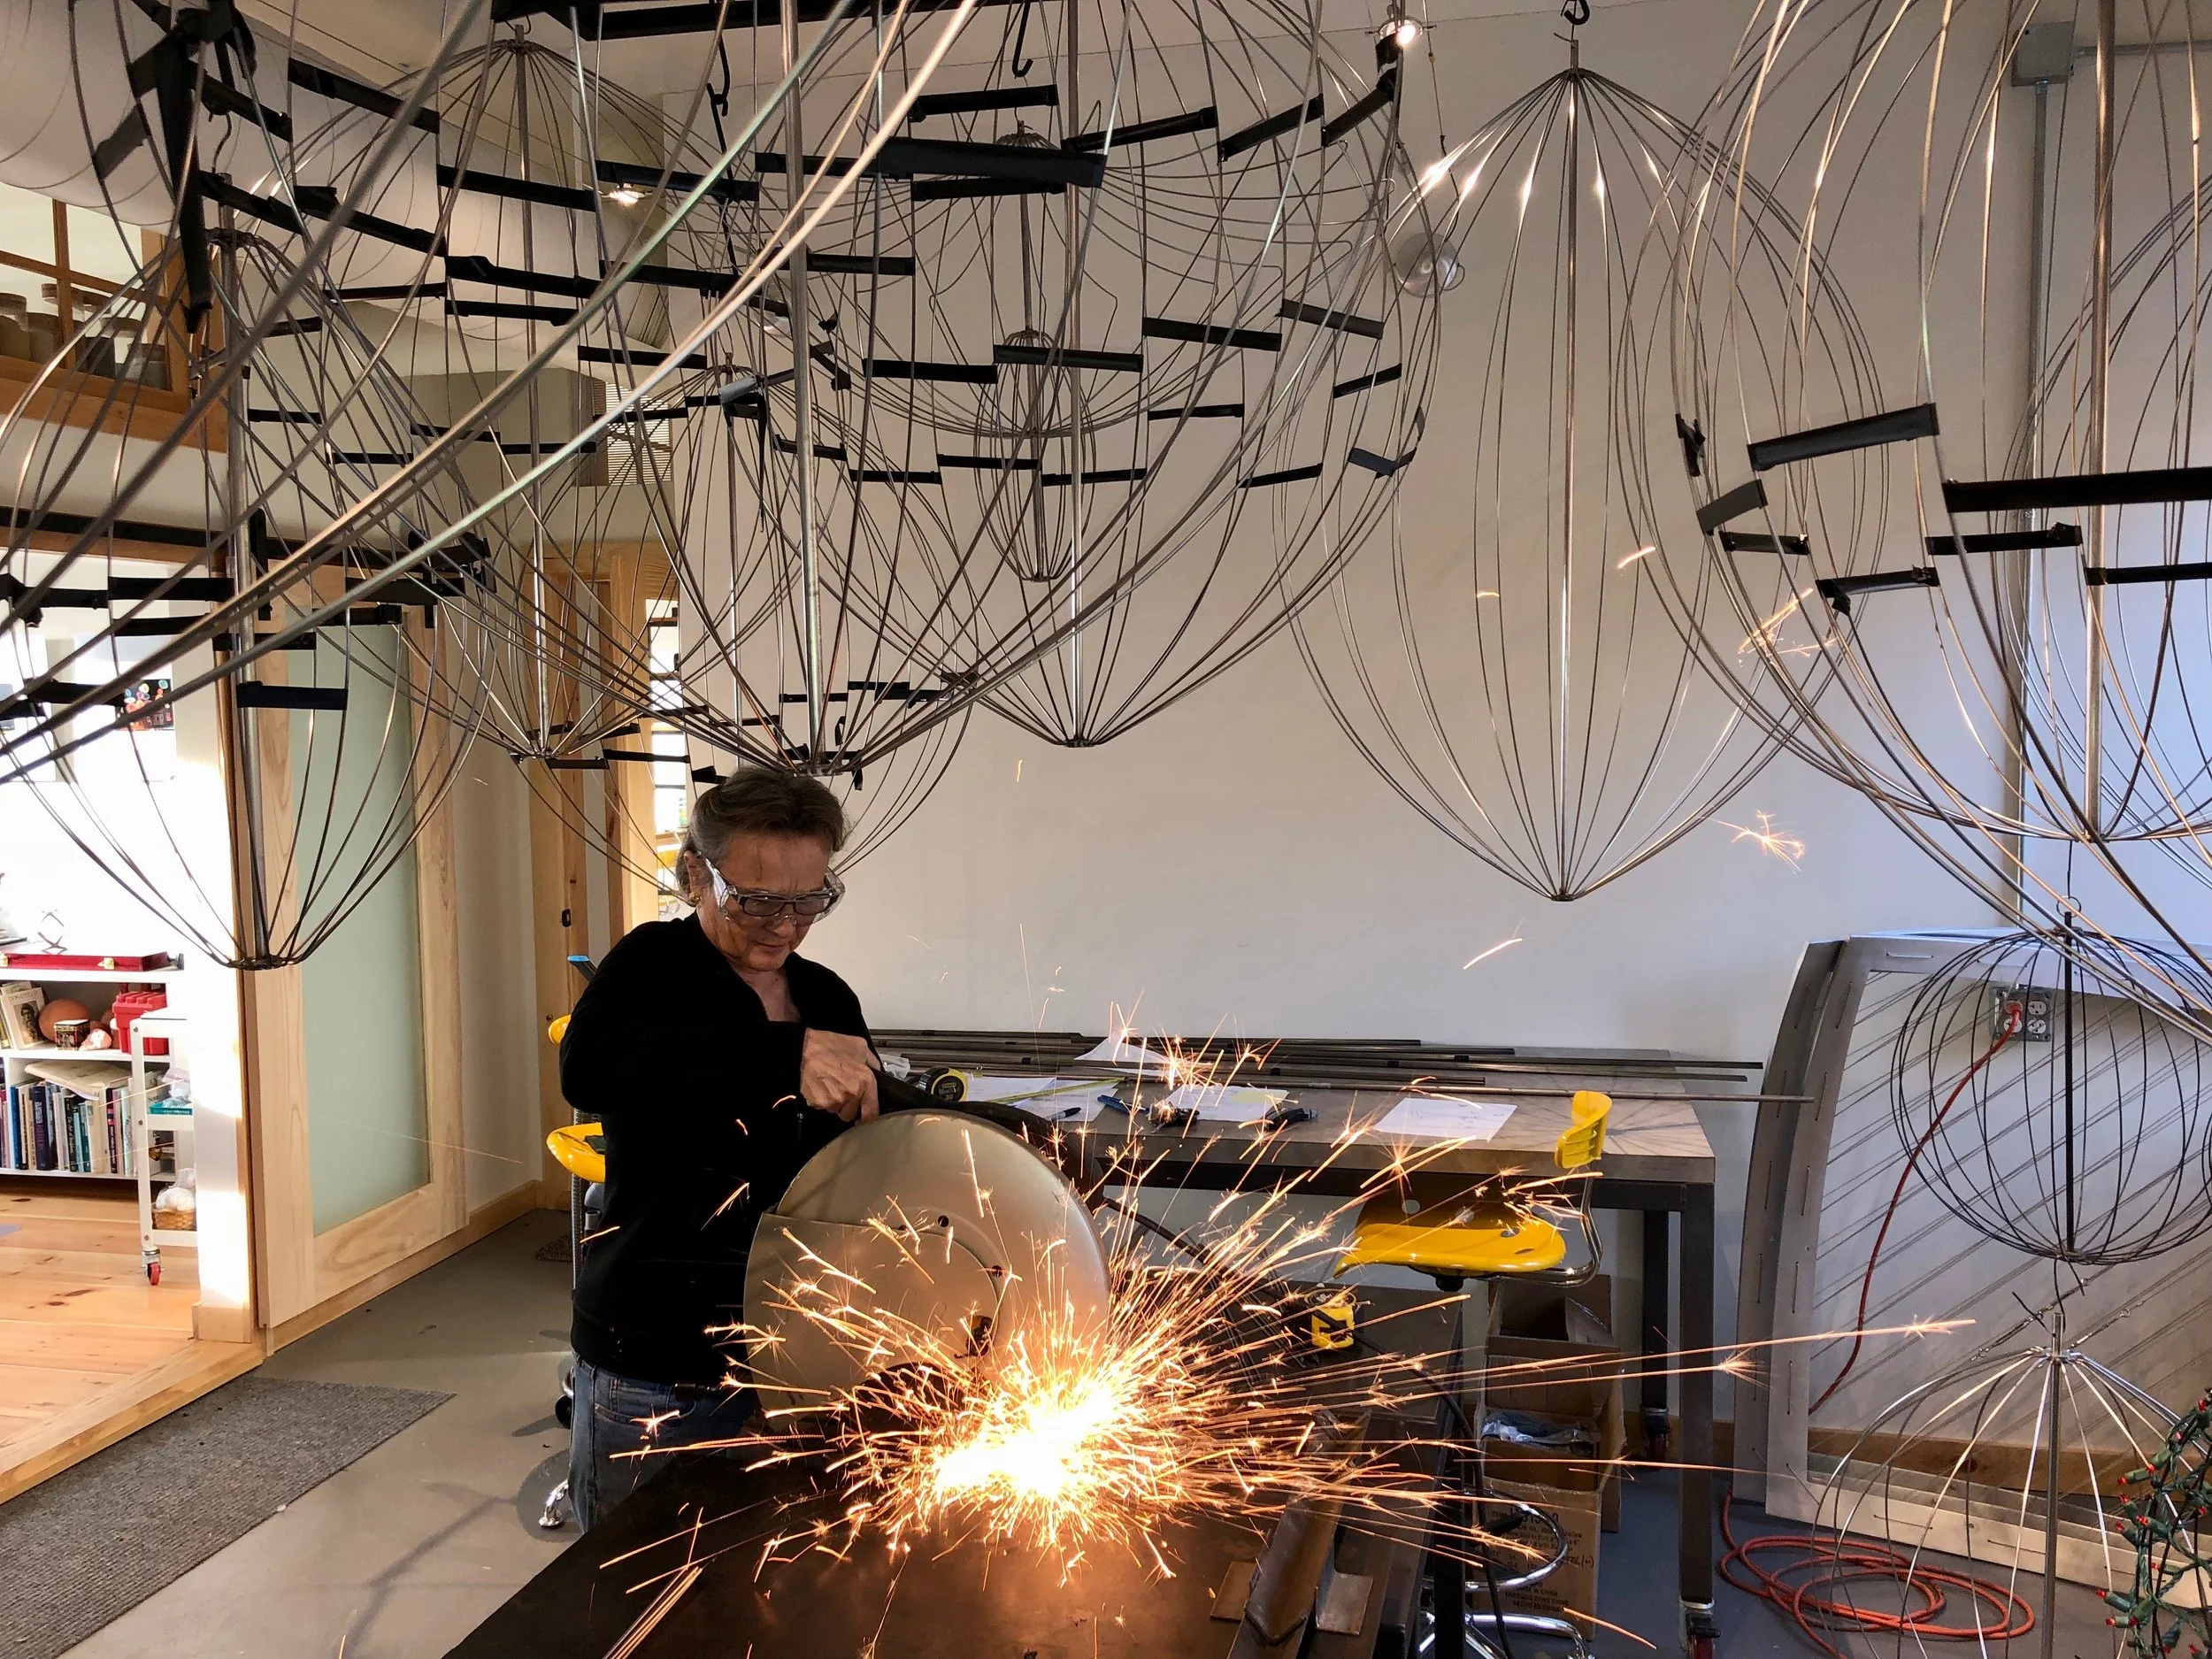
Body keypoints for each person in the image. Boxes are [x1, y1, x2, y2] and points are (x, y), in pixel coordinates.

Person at [557, 767, 879, 1530]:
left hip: (798, 1363)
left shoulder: (827, 995)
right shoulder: (649, 967)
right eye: (759, 899)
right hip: (656, 1364)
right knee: (632, 1616)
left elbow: (860, 1151)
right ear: (697, 873)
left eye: (809, 900)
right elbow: (588, 1066)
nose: (784, 925)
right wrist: (782, 1057)